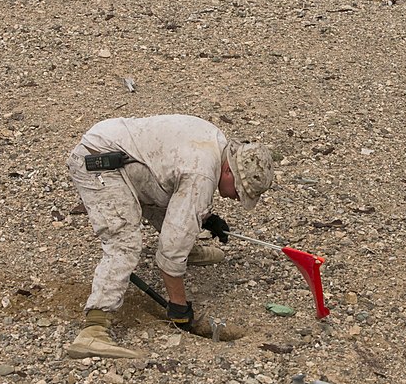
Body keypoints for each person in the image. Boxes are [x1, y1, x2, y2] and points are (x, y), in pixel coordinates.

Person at [64, 114, 274, 358]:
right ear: (229, 171)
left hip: (126, 157)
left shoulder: (216, 142)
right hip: (100, 165)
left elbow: (172, 182)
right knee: (124, 244)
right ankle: (94, 328)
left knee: (175, 214)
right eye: (240, 191)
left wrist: (206, 220)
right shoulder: (203, 173)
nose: (237, 198)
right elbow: (171, 251)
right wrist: (178, 306)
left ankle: (189, 250)